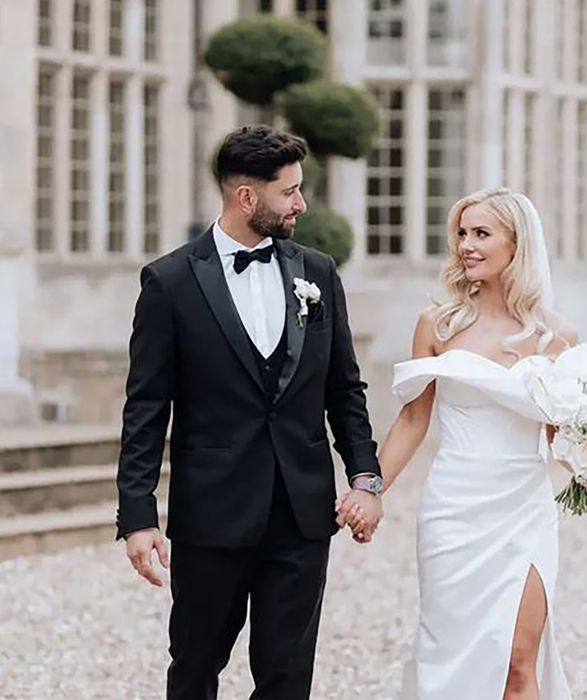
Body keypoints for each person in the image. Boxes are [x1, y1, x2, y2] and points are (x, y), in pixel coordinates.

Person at [336, 188, 587, 699]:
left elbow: (563, 434)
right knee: (449, 655)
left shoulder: (556, 338)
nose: (466, 245)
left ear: (518, 244)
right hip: (453, 510)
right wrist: (371, 489)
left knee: (517, 661)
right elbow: (412, 421)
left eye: (481, 234)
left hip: (523, 511)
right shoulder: (438, 324)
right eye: (462, 234)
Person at [116, 124, 383, 700]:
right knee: (194, 667)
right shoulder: (169, 282)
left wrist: (366, 477)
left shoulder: (318, 273)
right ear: (246, 197)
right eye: (289, 192)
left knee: (288, 677)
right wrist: (138, 516)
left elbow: (345, 390)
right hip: (212, 514)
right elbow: (144, 408)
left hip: (302, 514)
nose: (301, 204)